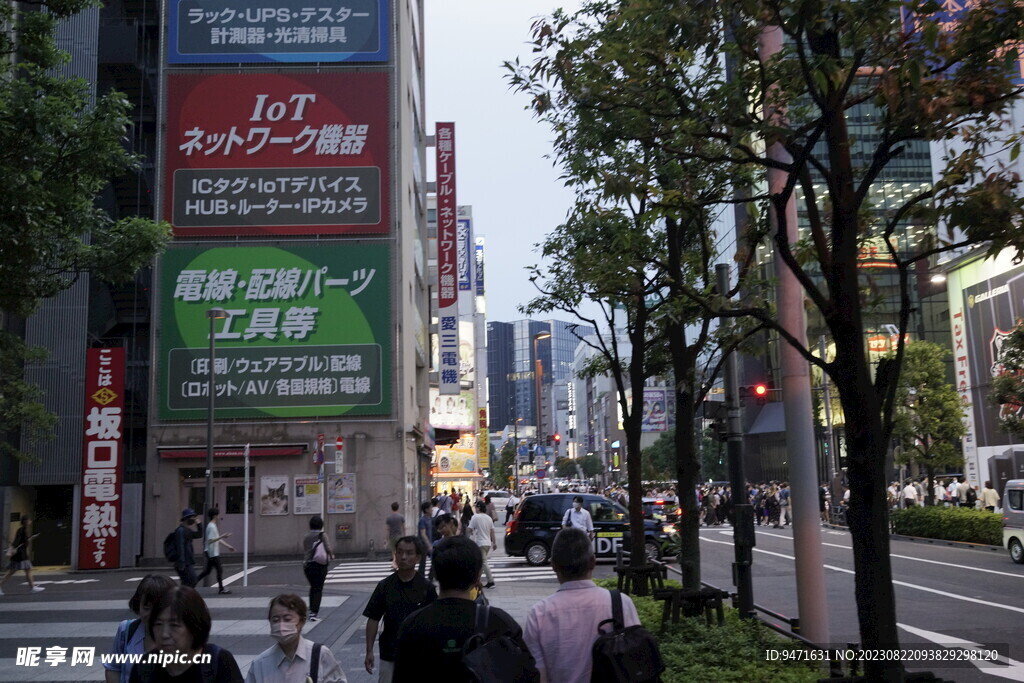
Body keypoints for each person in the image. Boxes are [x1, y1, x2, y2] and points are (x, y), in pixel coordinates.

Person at [392, 536, 537, 681]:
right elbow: (529, 675)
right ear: (478, 576)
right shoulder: (498, 623)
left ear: (435, 573)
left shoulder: (412, 625)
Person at [523, 528, 642, 683]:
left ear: (553, 565)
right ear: (593, 562)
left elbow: (539, 676)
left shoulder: (539, 613)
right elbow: (636, 660)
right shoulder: (621, 603)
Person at [129, 585, 243, 682]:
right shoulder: (144, 667)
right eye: (158, 624)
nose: (164, 634)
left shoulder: (219, 662)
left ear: (194, 627)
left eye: (174, 625)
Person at [363, 537, 437, 683]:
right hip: (390, 652)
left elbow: (434, 622)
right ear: (395, 554)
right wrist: (369, 650)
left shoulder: (426, 588)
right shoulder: (385, 586)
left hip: (419, 654)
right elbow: (373, 618)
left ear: (418, 558)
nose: (403, 557)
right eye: (400, 552)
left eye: (409, 553)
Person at [246, 593, 347, 683]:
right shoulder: (260, 664)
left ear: (302, 621)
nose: (281, 625)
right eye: (275, 620)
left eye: (287, 619)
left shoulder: (319, 654)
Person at [104, 574, 176, 683]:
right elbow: (113, 668)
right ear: (138, 605)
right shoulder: (127, 630)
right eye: (146, 608)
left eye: (158, 609)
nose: (152, 615)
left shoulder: (182, 635)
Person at [0, 515, 43, 595]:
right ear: (25, 521)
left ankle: (32, 587)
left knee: (26, 570)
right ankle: (32, 588)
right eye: (29, 520)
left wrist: (31, 538)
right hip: (20, 555)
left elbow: (22, 541)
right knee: (12, 572)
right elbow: (16, 542)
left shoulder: (24, 530)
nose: (30, 521)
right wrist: (10, 551)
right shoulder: (21, 530)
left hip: (21, 554)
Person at [196, 508, 235, 594]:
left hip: (211, 552)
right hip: (212, 553)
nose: (218, 517)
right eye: (217, 515)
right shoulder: (211, 526)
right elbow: (210, 540)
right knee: (219, 570)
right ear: (214, 516)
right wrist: (222, 536)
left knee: (207, 571)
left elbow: (216, 539)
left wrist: (228, 546)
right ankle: (221, 589)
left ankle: (192, 583)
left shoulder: (212, 526)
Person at [303, 516, 333, 622]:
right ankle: (314, 613)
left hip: (307, 565)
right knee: (318, 588)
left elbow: (306, 549)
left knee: (313, 587)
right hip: (319, 565)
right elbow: (328, 547)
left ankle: (312, 610)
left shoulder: (306, 536)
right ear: (321, 525)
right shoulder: (322, 535)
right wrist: (331, 555)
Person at [466, 501, 497, 589]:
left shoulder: (475, 517)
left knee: (483, 562)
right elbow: (492, 532)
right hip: (487, 543)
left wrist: (467, 537)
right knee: (480, 563)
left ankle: (491, 581)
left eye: (476, 507)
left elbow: (469, 529)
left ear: (479, 508)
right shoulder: (488, 518)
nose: (475, 509)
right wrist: (494, 543)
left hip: (480, 543)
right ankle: (477, 581)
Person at [173, 508, 203, 588]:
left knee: (188, 583)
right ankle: (180, 597)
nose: (194, 519)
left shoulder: (187, 530)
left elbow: (199, 535)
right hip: (183, 562)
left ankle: (181, 598)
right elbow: (180, 547)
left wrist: (199, 525)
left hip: (187, 561)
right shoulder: (180, 531)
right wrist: (181, 562)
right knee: (192, 581)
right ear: (186, 518)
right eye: (192, 517)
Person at [416, 502, 433, 578]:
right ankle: (421, 577)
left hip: (429, 543)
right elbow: (423, 534)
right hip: (423, 544)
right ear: (426, 510)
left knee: (434, 559)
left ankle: (430, 576)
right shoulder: (423, 520)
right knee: (423, 562)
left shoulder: (429, 519)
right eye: (430, 508)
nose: (432, 509)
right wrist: (429, 545)